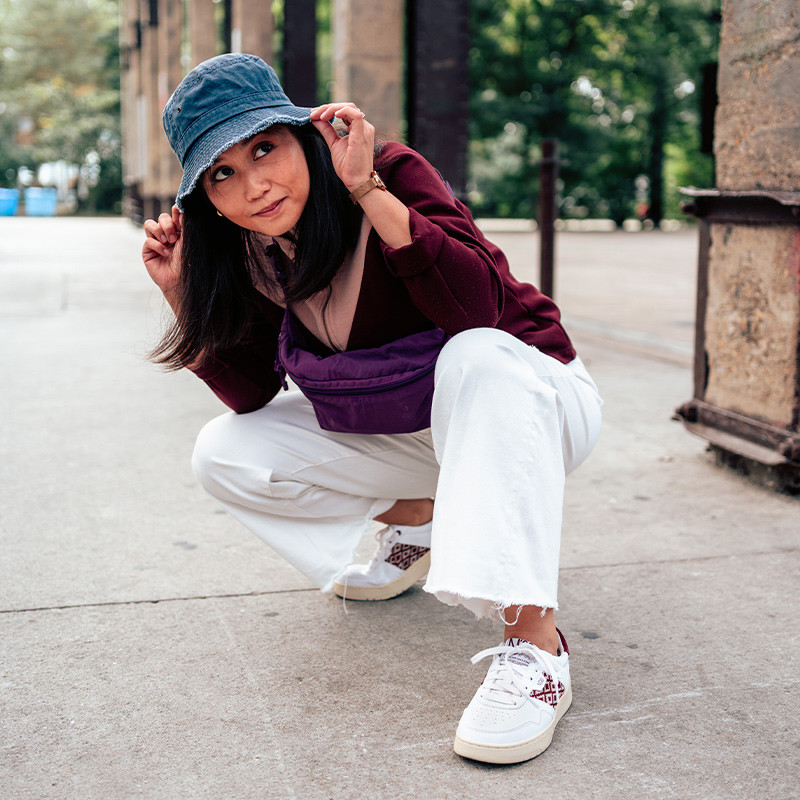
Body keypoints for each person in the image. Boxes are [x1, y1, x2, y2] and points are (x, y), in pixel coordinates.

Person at [142, 53, 602, 765]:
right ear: (204, 197)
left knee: (473, 354)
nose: (254, 184)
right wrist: (182, 295)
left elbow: (478, 309)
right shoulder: (250, 249)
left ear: (300, 135)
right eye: (222, 174)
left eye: (264, 148)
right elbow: (254, 395)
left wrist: (367, 190)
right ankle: (418, 522)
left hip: (531, 398)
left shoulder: (384, 168)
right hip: (417, 429)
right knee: (224, 450)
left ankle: (535, 645)